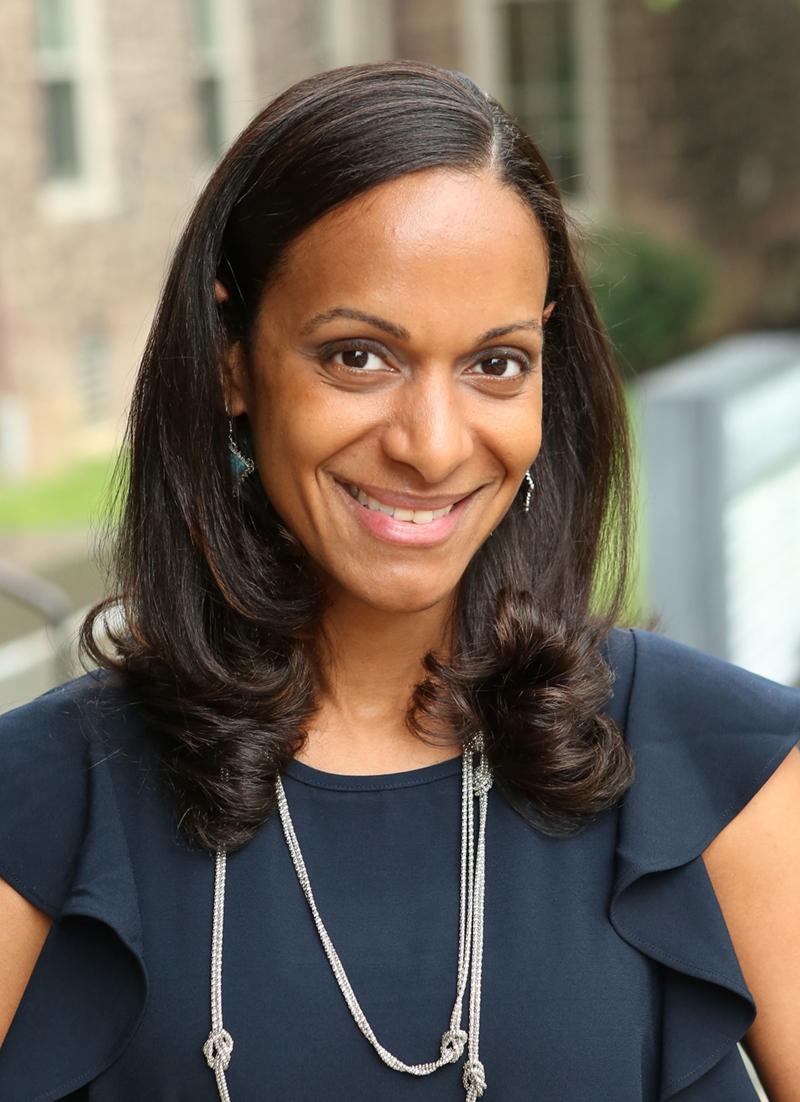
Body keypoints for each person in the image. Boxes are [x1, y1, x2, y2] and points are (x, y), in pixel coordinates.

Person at [0, 60, 798, 1102]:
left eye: (495, 363)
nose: (429, 445)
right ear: (233, 359)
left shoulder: (727, 773)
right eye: (358, 357)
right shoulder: (41, 803)